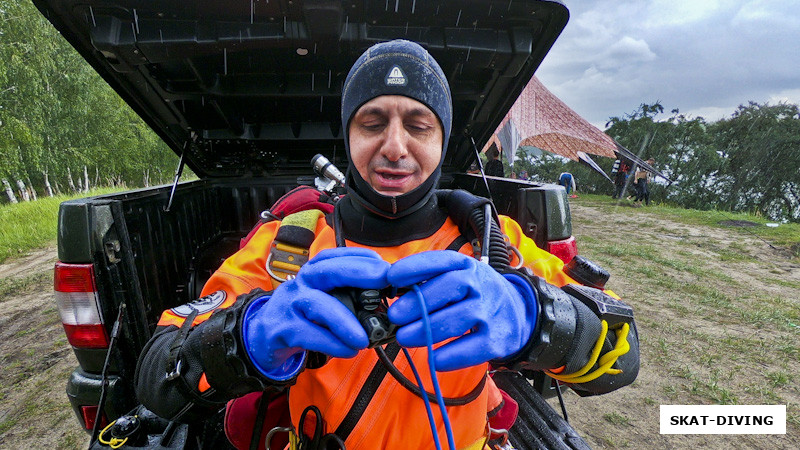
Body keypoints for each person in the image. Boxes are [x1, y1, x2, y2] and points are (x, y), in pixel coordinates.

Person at [135, 40, 639, 450]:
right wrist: (246, 334)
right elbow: (155, 375)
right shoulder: (292, 240)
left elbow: (623, 355)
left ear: (442, 140)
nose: (394, 146)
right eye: (372, 123)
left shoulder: (493, 240)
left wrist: (538, 318)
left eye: (419, 126)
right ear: (348, 137)